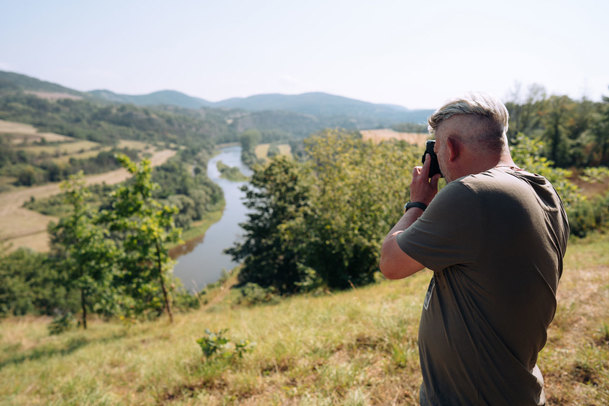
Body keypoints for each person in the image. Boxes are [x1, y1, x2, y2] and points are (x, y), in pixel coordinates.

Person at [379, 93, 569, 405]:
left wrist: (418, 202)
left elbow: (391, 263)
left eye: (437, 149)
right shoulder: (544, 192)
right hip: (516, 390)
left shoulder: (471, 194)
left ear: (450, 148)